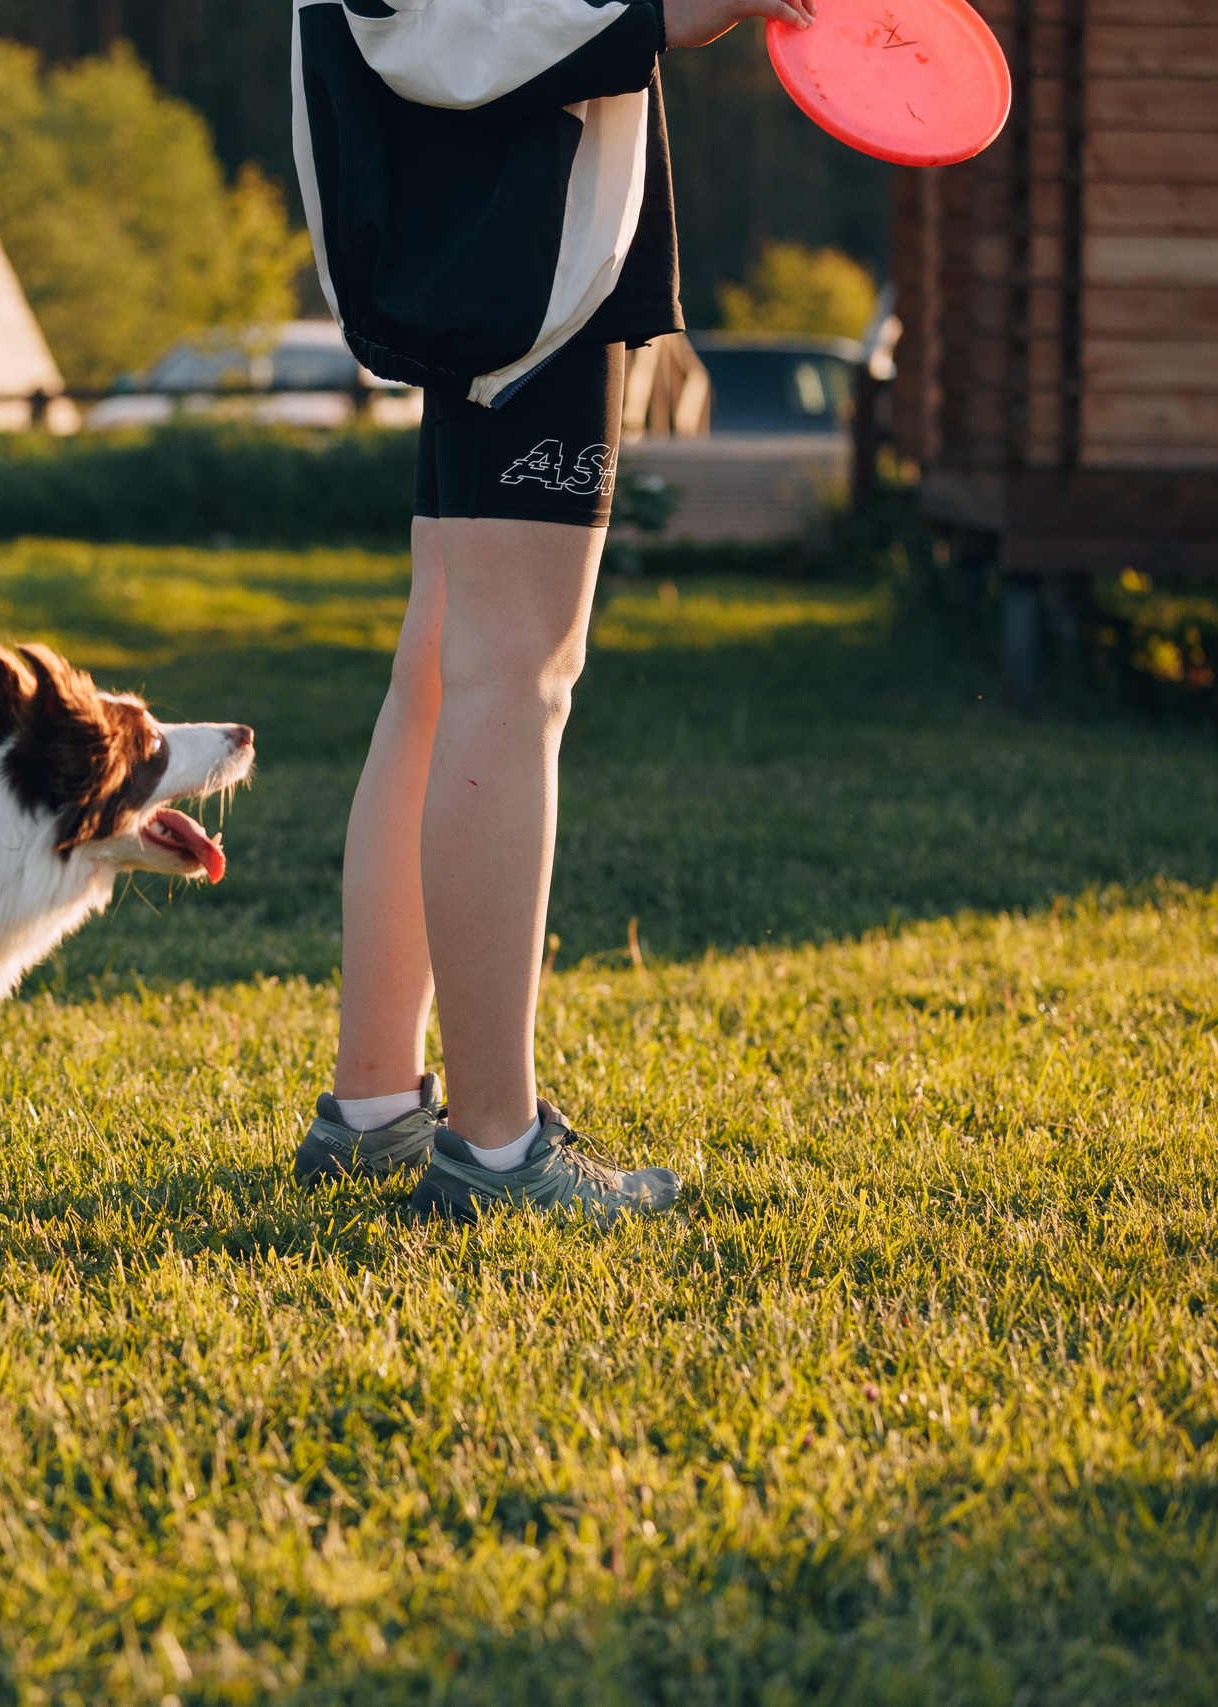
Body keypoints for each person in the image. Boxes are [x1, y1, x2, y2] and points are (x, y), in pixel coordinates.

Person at [284, 0, 813, 1219]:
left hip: (485, 242)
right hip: (523, 263)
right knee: (511, 678)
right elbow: (444, 23)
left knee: (446, 670)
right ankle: (494, 1145)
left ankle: (371, 1105)